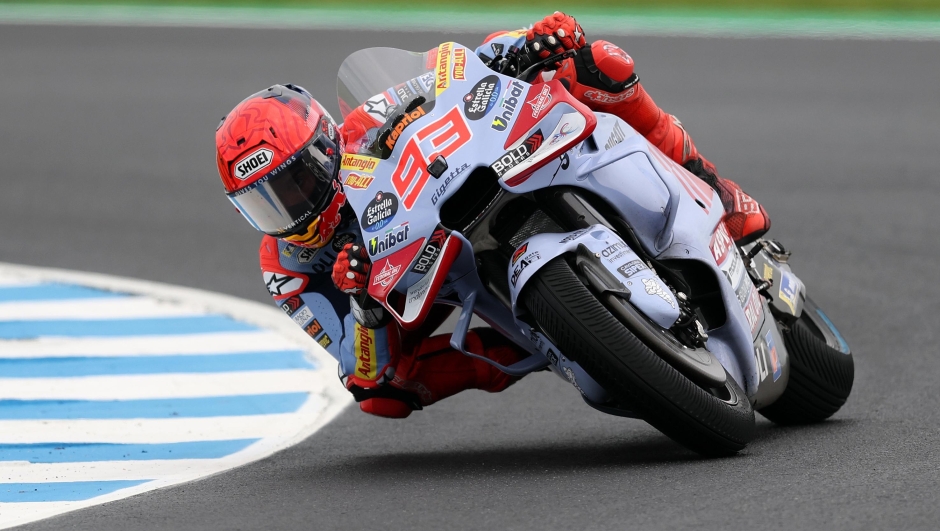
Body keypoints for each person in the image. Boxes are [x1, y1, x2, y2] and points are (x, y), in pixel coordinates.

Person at [213, 12, 771, 419]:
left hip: (469, 188)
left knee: (597, 63)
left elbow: (457, 66)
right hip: (411, 293)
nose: (293, 209)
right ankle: (531, 345)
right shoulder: (287, 266)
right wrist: (364, 307)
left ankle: (718, 189)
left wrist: (529, 43)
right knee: (384, 396)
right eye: (264, 202)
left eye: (296, 183)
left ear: (325, 149)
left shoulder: (367, 122)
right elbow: (358, 368)